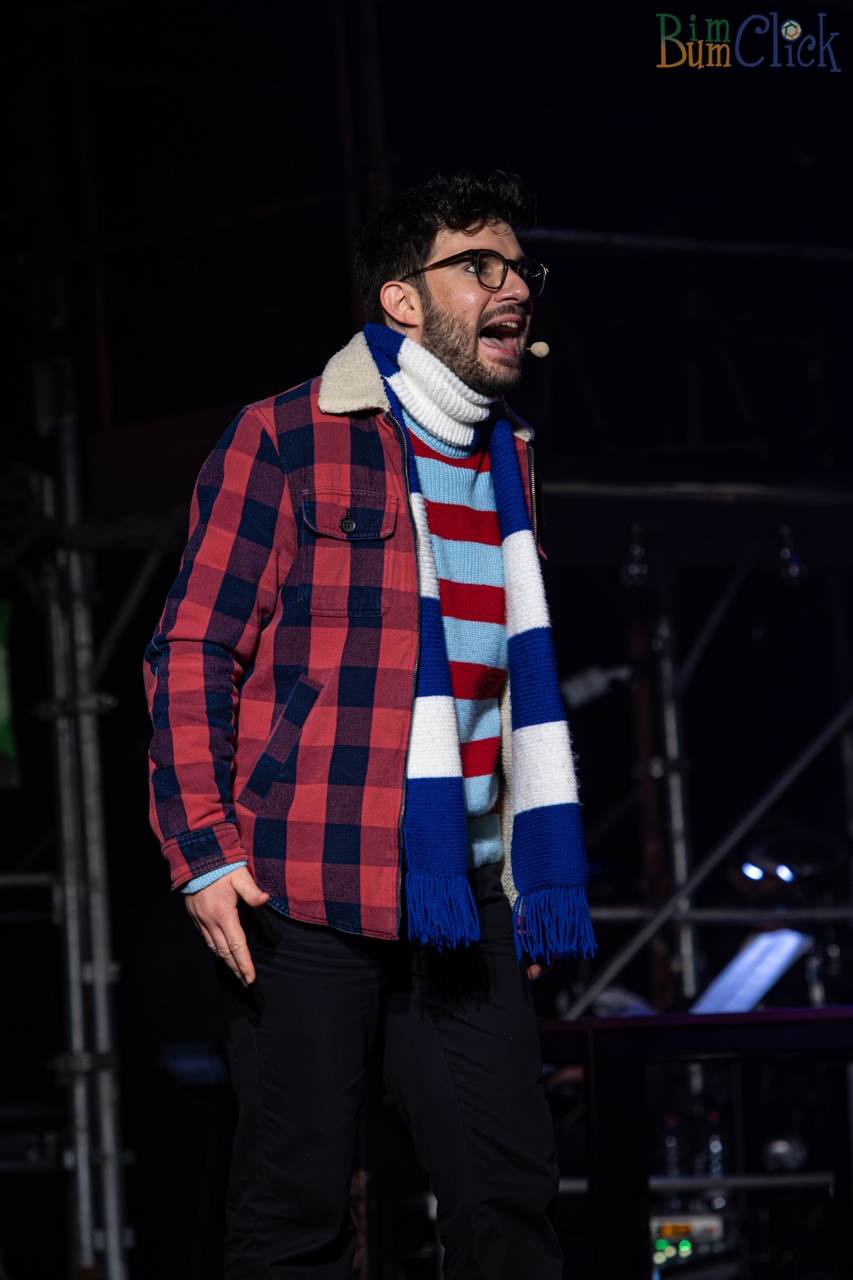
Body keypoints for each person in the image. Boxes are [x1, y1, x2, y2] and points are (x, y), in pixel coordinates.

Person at [145, 170, 594, 1280]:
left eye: (520, 267)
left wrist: (526, 868)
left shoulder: (509, 455)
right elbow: (193, 647)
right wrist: (203, 849)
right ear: (402, 298)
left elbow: (501, 689)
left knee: (510, 1207)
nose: (513, 287)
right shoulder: (286, 434)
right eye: (478, 266)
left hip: (464, 898)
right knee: (297, 1221)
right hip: (306, 889)